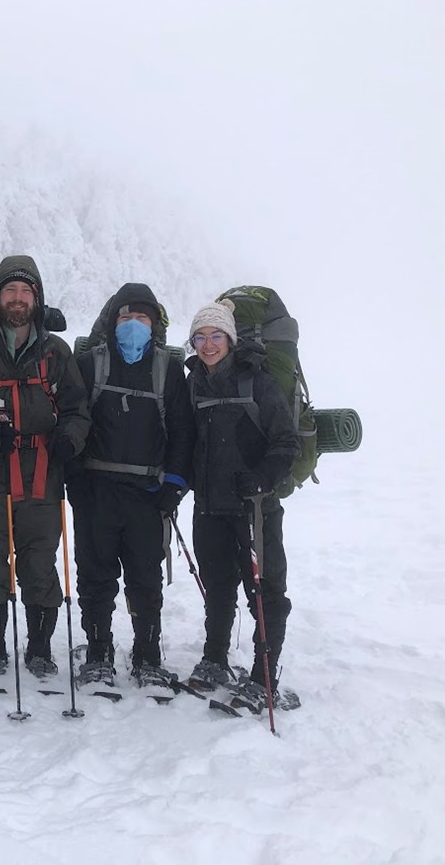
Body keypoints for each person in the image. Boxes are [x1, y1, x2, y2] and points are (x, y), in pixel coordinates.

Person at [0, 255, 90, 679]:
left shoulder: (56, 352)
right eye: (10, 291)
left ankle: (39, 649)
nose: (17, 298)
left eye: (25, 291)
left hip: (42, 471)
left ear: (37, 298)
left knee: (40, 559)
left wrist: (71, 437)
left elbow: (77, 409)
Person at [68, 283, 195, 688]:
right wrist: (75, 482)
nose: (134, 325)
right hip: (96, 491)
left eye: (142, 318)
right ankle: (98, 650)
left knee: (145, 577)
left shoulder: (168, 369)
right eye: (126, 318)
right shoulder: (90, 365)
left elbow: (182, 432)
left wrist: (174, 485)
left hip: (147, 493)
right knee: (95, 576)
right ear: (112, 322)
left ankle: (147, 653)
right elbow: (72, 423)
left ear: (155, 325)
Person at [183, 298, 298, 707]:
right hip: (209, 507)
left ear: (230, 340)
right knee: (217, 588)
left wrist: (263, 479)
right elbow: (186, 441)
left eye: (216, 336)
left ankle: (264, 675)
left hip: (254, 509)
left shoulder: (259, 382)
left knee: (264, 592)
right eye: (201, 336)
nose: (209, 344)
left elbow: (286, 442)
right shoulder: (193, 382)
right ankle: (214, 659)